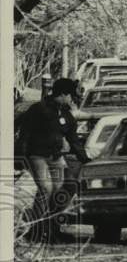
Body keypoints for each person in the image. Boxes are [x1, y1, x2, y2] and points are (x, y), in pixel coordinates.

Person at [15, 77, 89, 243]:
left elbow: (74, 140)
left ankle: (51, 228)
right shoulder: (39, 109)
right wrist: (20, 155)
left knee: (60, 191)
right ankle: (37, 229)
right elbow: (24, 133)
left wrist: (85, 158)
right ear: (63, 94)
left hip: (56, 157)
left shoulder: (66, 115)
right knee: (46, 189)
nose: (72, 99)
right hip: (37, 156)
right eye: (71, 95)